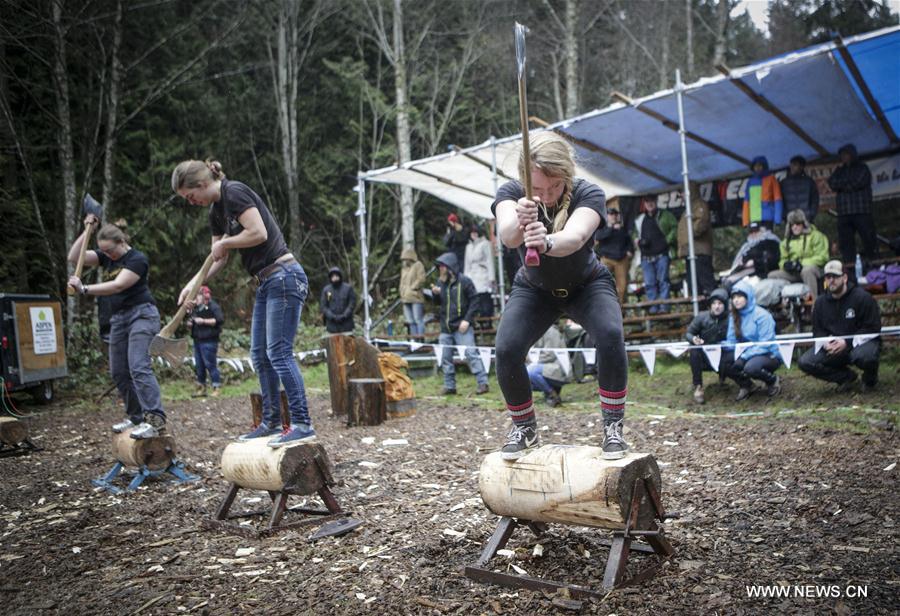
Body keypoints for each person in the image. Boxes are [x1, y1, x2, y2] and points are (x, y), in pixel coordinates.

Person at [493, 132, 628, 460]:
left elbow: (577, 235)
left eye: (554, 187)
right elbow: (508, 237)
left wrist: (548, 241)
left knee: (610, 335)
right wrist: (520, 221)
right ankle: (524, 428)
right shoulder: (512, 192)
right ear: (526, 180)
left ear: (566, 176)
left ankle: (613, 428)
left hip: (586, 284)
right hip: (535, 289)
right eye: (538, 189)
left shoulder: (588, 192)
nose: (547, 195)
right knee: (507, 348)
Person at [172, 159, 314, 447]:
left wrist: (226, 243)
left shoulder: (234, 192)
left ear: (200, 184)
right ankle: (271, 422)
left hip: (284, 275)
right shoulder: (216, 211)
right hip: (265, 282)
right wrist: (192, 285)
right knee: (259, 355)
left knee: (279, 353)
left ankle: (302, 423)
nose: (192, 202)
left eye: (190, 196)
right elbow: (217, 259)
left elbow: (258, 232)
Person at [67, 216, 165, 439]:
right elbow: (74, 256)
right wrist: (87, 232)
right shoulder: (107, 256)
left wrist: (84, 288)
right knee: (119, 372)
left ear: (122, 242)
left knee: (138, 366)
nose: (108, 256)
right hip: (118, 319)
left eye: (111, 251)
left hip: (142, 315)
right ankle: (135, 417)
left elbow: (118, 285)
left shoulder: (137, 259)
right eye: (104, 252)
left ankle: (155, 420)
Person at [798, 260, 881, 392]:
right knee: (805, 361)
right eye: (828, 277)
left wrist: (846, 342)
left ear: (845, 277)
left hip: (861, 343)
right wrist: (826, 343)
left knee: (865, 357)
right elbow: (817, 331)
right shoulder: (820, 303)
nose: (831, 280)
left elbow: (873, 327)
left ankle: (870, 379)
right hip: (834, 347)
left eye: (835, 277)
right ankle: (845, 377)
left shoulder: (863, 298)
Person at [430, 252, 489, 396]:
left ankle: (483, 383)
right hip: (446, 327)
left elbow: (475, 301)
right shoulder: (440, 283)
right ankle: (450, 386)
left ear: (450, 267)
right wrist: (435, 294)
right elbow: (438, 304)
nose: (440, 270)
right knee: (445, 357)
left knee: (471, 353)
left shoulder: (465, 281)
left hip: (462, 326)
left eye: (442, 267)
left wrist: (467, 320)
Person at [721, 280, 782, 401]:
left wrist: (744, 356)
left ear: (748, 297)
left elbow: (766, 343)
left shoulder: (762, 315)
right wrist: (718, 347)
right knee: (723, 363)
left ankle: (772, 380)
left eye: (740, 296)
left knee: (751, 368)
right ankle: (746, 385)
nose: (736, 300)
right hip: (746, 353)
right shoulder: (734, 316)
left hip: (768, 354)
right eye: (734, 297)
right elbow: (731, 341)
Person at [827, 143, 877, 265]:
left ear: (853, 154)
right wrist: (845, 184)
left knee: (869, 240)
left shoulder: (862, 168)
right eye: (842, 155)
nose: (843, 157)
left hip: (861, 210)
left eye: (846, 154)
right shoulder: (839, 170)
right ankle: (850, 269)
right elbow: (832, 183)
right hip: (844, 213)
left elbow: (858, 183)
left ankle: (875, 265)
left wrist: (842, 185)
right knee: (846, 243)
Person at [769, 209, 829, 299]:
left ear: (803, 224)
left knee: (806, 271)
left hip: (815, 270)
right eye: (792, 225)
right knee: (772, 275)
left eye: (797, 224)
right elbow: (783, 260)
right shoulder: (786, 242)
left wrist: (802, 264)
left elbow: (823, 257)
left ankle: (815, 304)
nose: (794, 227)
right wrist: (786, 265)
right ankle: (782, 304)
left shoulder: (816, 236)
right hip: (794, 272)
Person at [684, 288, 729, 404]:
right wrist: (694, 339)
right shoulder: (701, 317)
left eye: (720, 303)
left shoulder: (732, 319)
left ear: (725, 305)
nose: (716, 306)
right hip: (705, 354)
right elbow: (689, 333)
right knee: (694, 351)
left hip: (725, 353)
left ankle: (735, 382)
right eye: (714, 303)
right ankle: (698, 386)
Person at [634, 198, 676, 313]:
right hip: (646, 257)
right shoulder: (640, 219)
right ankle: (653, 308)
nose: (650, 204)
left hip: (662, 255)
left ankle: (664, 307)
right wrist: (637, 241)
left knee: (664, 281)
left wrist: (667, 241)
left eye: (651, 201)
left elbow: (674, 228)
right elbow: (634, 234)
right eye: (647, 202)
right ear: (644, 204)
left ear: (656, 202)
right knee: (649, 283)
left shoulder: (665, 215)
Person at [677, 183, 716, 297]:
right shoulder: (688, 208)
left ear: (690, 191)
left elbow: (702, 223)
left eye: (683, 192)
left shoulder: (699, 205)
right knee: (694, 285)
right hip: (691, 252)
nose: (682, 196)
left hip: (699, 251)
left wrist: (693, 232)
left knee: (706, 282)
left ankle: (715, 304)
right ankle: (702, 310)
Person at [189, 285, 224, 397]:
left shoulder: (213, 306)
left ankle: (216, 387)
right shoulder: (195, 309)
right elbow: (192, 321)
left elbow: (219, 320)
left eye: (198, 296)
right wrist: (190, 324)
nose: (196, 299)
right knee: (199, 365)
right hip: (197, 340)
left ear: (204, 296)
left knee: (210, 364)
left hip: (209, 340)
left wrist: (203, 321)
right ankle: (201, 388)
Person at [595, 203, 632, 304]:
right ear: (607, 216)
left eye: (615, 214)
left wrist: (629, 251)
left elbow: (628, 240)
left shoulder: (622, 228)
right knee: (602, 282)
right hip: (607, 258)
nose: (613, 216)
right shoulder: (602, 227)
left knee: (622, 286)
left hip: (621, 259)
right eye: (611, 214)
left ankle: (619, 308)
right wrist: (611, 228)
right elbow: (599, 237)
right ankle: (602, 304)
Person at [527, 323, 570, 407]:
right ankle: (552, 391)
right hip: (547, 366)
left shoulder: (551, 331)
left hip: (559, 369)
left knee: (530, 371)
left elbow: (550, 354)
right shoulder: (538, 331)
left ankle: (551, 394)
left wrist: (532, 362)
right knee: (521, 373)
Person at [724, 222, 781, 286]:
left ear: (762, 230)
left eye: (756, 231)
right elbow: (738, 261)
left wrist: (754, 262)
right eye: (751, 231)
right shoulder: (746, 246)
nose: (754, 233)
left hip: (763, 272)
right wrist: (743, 263)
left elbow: (772, 259)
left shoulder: (771, 241)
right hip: (746, 271)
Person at [463, 223, 495, 320]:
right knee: (474, 298)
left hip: (483, 274)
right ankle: (478, 320)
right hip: (472, 275)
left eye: (476, 232)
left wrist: (491, 277)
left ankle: (487, 320)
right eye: (472, 232)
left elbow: (489, 261)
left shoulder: (485, 243)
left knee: (484, 298)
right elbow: (467, 263)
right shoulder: (468, 246)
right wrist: (465, 278)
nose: (474, 234)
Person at [742, 156, 783, 227]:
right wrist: (745, 221)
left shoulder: (771, 179)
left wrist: (778, 219)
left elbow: (778, 200)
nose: (757, 168)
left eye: (760, 165)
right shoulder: (750, 182)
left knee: (767, 238)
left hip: (768, 218)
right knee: (754, 238)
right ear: (753, 168)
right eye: (755, 166)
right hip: (754, 219)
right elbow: (746, 202)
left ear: (764, 166)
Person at [780, 155, 819, 223]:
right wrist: (784, 215)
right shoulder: (783, 183)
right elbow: (780, 200)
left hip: (806, 218)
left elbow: (815, 199)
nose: (792, 167)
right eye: (791, 164)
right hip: (790, 219)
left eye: (795, 165)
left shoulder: (809, 182)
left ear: (802, 167)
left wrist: (811, 214)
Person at [399, 247, 426, 337]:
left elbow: (421, 279)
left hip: (416, 298)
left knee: (418, 319)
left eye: (406, 258)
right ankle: (414, 341)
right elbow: (402, 282)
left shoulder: (418, 265)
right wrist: (402, 292)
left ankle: (421, 340)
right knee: (410, 321)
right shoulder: (404, 269)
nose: (405, 261)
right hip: (405, 298)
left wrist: (413, 288)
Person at [320, 266, 356, 334]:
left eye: (336, 276)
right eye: (333, 276)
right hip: (332, 326)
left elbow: (352, 303)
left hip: (347, 324)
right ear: (330, 278)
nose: (335, 278)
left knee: (348, 343)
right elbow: (324, 306)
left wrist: (344, 315)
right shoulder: (327, 290)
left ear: (340, 276)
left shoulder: (348, 288)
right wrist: (332, 316)